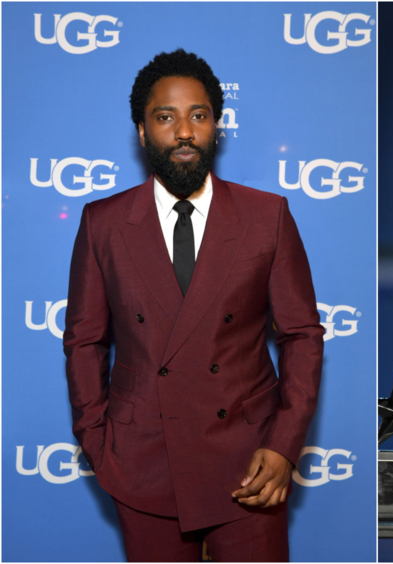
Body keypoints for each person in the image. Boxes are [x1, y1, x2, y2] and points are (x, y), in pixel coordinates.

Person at [63, 49, 324, 562]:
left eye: (198, 116)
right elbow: (84, 341)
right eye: (166, 117)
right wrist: (98, 443)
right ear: (142, 131)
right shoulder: (104, 223)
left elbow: (301, 336)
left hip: (249, 463)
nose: (184, 131)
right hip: (142, 463)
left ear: (217, 126)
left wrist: (283, 444)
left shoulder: (266, 216)